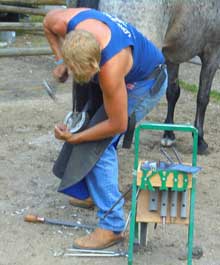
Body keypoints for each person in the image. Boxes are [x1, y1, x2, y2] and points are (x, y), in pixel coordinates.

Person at [43, 7, 168, 249]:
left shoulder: (111, 69)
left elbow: (117, 124)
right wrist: (60, 60)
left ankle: (112, 226)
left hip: (147, 82)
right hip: (126, 68)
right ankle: (92, 193)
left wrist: (76, 139)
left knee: (99, 145)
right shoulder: (69, 22)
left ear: (95, 63)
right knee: (88, 126)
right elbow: (47, 23)